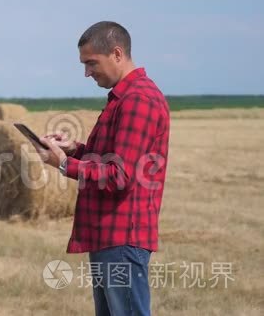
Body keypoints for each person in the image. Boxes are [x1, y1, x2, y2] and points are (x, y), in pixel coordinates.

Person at [32, 21, 170, 316]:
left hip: (122, 237)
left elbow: (120, 176)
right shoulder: (124, 98)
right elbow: (112, 159)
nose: (87, 72)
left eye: (91, 63)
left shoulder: (138, 100)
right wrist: (75, 149)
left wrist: (65, 164)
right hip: (110, 235)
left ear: (117, 54)